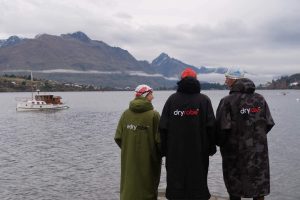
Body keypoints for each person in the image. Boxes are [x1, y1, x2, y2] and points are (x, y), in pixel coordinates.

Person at [216, 68, 275, 200]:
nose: (225, 81)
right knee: (259, 185)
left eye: (227, 78)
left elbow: (221, 128)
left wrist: (222, 144)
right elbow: (269, 123)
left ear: (234, 80)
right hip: (259, 152)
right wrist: (257, 137)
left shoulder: (227, 101)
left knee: (235, 187)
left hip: (234, 153)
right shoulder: (260, 99)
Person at [159, 68, 216, 200]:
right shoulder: (204, 100)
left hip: (175, 152)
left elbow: (163, 127)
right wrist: (211, 147)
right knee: (198, 182)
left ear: (181, 80)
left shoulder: (172, 100)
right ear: (196, 80)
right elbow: (211, 126)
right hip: (199, 150)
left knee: (176, 183)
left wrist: (163, 150)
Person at [114, 84, 161, 200]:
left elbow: (118, 137)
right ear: (145, 95)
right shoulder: (154, 115)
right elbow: (160, 142)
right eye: (151, 94)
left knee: (129, 185)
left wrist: (129, 149)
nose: (153, 97)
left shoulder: (126, 114)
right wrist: (158, 154)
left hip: (129, 159)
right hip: (148, 160)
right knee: (147, 186)